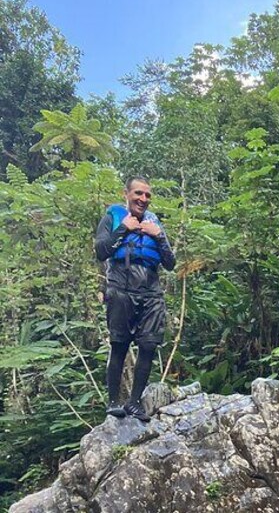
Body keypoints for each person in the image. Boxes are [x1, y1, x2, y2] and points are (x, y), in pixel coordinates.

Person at [94, 176, 175, 421]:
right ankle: (113, 402)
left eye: (147, 195)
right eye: (139, 193)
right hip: (120, 285)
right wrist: (123, 228)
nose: (143, 199)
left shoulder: (154, 224)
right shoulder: (113, 217)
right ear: (127, 194)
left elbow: (170, 264)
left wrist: (159, 236)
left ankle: (135, 402)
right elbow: (101, 251)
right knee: (119, 343)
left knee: (149, 345)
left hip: (150, 289)